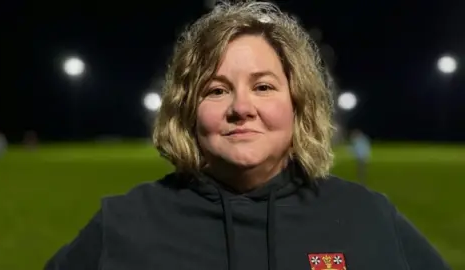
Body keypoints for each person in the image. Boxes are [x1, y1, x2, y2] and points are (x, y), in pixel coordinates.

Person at [45, 1, 450, 270]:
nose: (241, 108)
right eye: (217, 90)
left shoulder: (369, 217)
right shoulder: (123, 224)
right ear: (187, 109)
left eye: (263, 86)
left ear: (298, 102)